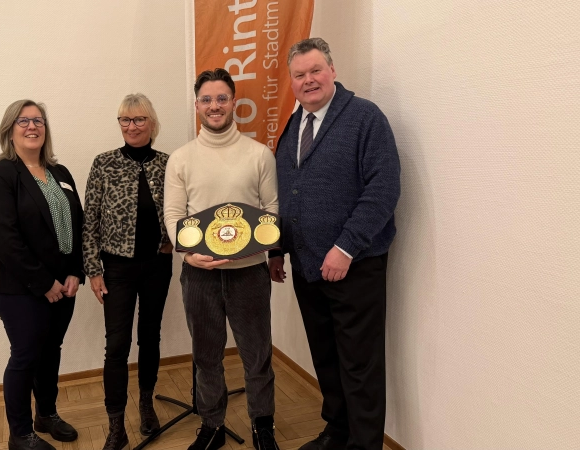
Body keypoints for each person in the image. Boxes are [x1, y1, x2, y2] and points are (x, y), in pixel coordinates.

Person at [269, 38, 401, 450]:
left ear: (332, 71)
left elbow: (383, 189)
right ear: (292, 82)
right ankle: (337, 431)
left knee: (360, 364)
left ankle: (363, 444)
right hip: (307, 266)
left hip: (354, 266)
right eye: (299, 75)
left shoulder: (365, 118)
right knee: (325, 356)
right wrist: (277, 248)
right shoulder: (294, 125)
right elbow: (287, 192)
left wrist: (345, 248)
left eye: (315, 71)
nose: (308, 80)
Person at [163, 68, 280, 450]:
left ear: (233, 102)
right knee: (206, 357)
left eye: (221, 98)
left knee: (257, 355)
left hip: (249, 274)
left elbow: (271, 210)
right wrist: (188, 253)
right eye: (207, 99)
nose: (214, 106)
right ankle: (211, 426)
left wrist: (258, 245)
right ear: (197, 105)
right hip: (199, 276)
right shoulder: (181, 159)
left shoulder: (259, 154)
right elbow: (173, 215)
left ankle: (263, 427)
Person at [0, 100, 84, 450]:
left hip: (63, 285)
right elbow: (4, 237)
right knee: (25, 356)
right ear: (10, 130)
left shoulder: (60, 172)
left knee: (51, 350)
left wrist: (75, 272)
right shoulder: (1, 175)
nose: (32, 126)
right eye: (23, 121)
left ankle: (47, 414)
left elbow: (78, 225)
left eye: (38, 120)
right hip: (19, 288)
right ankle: (21, 434)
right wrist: (42, 282)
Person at [82, 93, 173, 450]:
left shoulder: (167, 163)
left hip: (157, 266)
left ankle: (146, 404)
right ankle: (116, 425)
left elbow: (180, 210)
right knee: (117, 345)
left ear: (151, 123)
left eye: (138, 119)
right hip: (116, 268)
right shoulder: (104, 163)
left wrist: (173, 241)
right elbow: (90, 220)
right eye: (125, 120)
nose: (131, 126)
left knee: (150, 337)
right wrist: (93, 269)